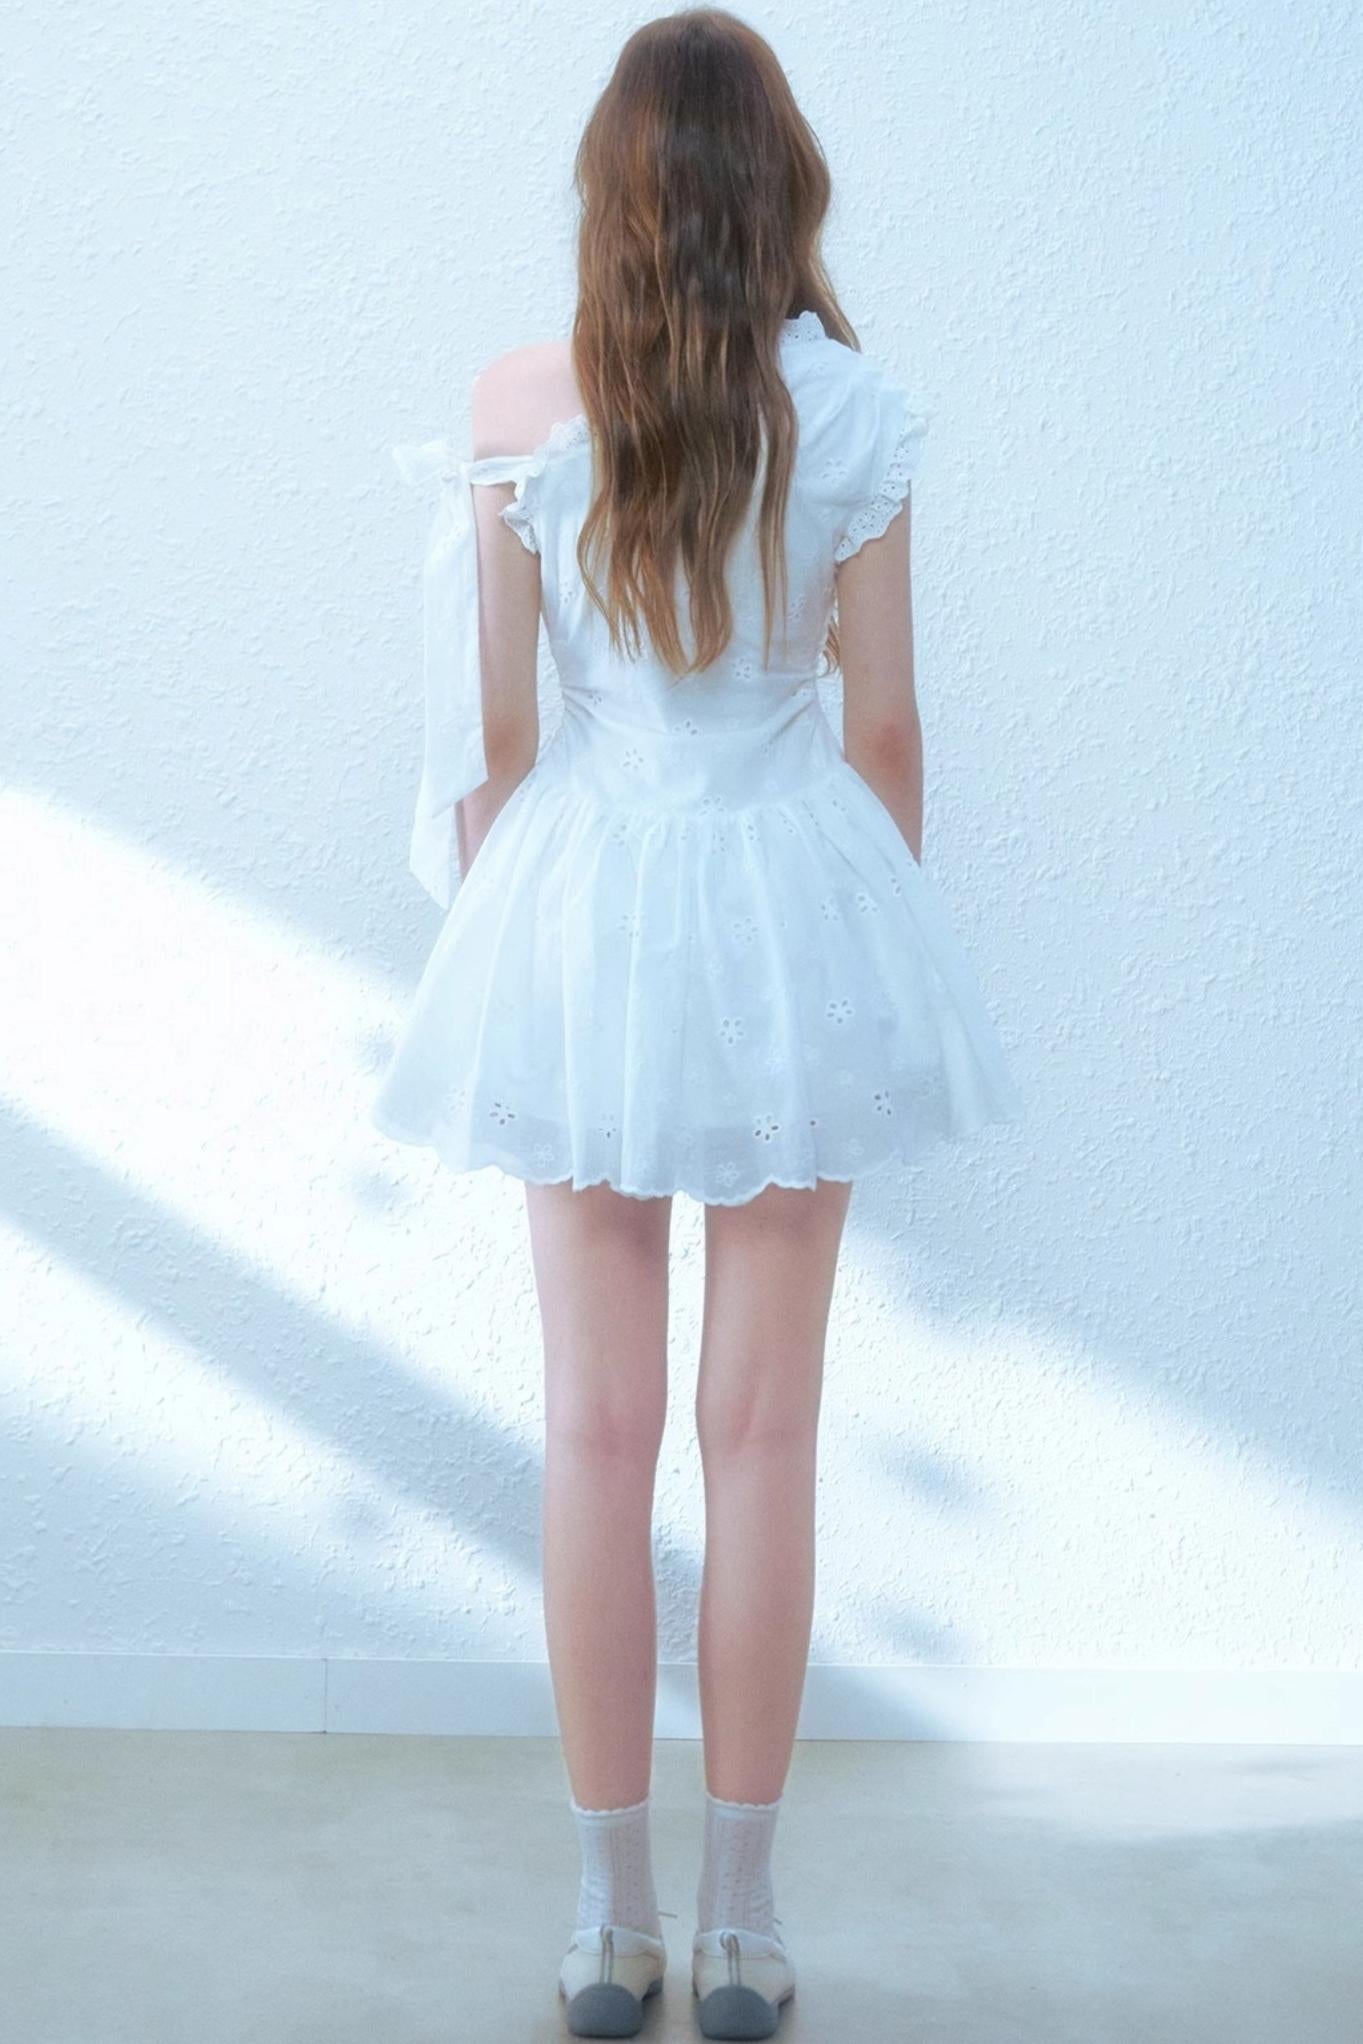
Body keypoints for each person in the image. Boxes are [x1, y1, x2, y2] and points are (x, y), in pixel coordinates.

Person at [371, 9, 1024, 2035]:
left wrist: (506, 936)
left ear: (615, 190)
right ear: (783, 185)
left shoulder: (520, 397)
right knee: (763, 1434)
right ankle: (743, 1928)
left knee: (591, 1426)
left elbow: (497, 741)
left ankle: (606, 1927)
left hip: (580, 903)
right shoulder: (856, 408)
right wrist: (857, 952)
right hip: (788, 892)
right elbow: (886, 730)